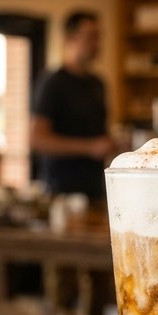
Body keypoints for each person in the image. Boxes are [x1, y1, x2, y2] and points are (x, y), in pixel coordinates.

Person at [30, 10, 116, 201]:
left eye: (99, 37)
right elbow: (38, 139)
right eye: (92, 36)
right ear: (71, 38)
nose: (97, 44)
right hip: (62, 192)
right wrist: (90, 147)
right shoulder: (53, 82)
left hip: (97, 189)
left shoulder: (98, 84)